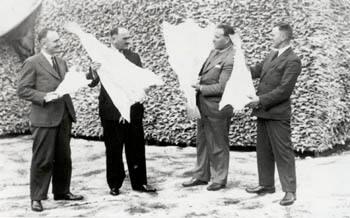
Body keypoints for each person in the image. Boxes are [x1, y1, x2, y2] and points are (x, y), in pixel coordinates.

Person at [17, 28, 83, 212]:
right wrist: (45, 96)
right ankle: (37, 197)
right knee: (42, 159)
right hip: (44, 118)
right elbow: (22, 90)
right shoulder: (32, 63)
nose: (60, 43)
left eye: (59, 40)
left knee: (64, 157)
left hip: (64, 116)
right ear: (43, 43)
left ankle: (62, 191)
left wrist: (86, 77)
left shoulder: (61, 62)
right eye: (56, 41)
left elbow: (68, 84)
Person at [87, 27, 156, 196]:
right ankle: (114, 184)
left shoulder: (134, 57)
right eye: (125, 38)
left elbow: (139, 80)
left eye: (129, 37)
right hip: (111, 110)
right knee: (113, 147)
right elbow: (91, 82)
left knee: (136, 146)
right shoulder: (101, 56)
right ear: (113, 38)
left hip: (133, 109)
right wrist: (93, 71)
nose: (128, 40)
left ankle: (140, 182)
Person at [245, 22, 301, 206]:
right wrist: (238, 66)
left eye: (274, 35)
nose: (271, 37)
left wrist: (260, 100)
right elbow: (255, 71)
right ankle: (266, 185)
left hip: (277, 113)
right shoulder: (271, 55)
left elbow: (284, 90)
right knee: (263, 151)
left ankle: (290, 192)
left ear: (284, 37)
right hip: (264, 112)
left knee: (283, 152)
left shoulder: (292, 60)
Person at [182, 24, 235, 191]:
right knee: (202, 141)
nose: (213, 39)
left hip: (218, 108)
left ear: (227, 39)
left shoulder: (232, 58)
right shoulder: (213, 52)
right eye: (214, 36)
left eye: (217, 37)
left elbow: (223, 87)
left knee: (218, 143)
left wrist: (201, 88)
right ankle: (201, 175)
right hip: (203, 106)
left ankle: (219, 179)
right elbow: (204, 75)